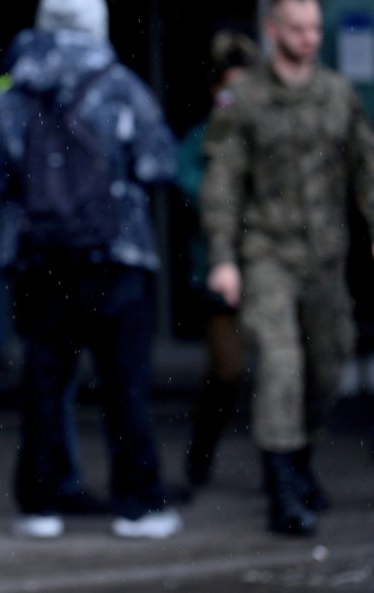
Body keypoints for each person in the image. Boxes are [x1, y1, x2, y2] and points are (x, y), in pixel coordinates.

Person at [0, 0, 182, 539]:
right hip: (116, 257)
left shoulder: (12, 90)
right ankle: (138, 505)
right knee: (125, 385)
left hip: (39, 259)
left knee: (45, 384)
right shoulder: (121, 85)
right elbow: (159, 163)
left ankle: (40, 506)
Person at [201, 0, 374, 536]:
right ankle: (282, 491)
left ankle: (300, 463)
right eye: (297, 28)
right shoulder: (243, 99)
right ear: (274, 31)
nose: (308, 38)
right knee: (280, 365)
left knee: (327, 364)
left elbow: (366, 168)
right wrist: (224, 258)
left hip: (325, 256)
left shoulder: (336, 95)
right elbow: (222, 182)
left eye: (315, 28)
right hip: (267, 255)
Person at [176, 30, 259, 488]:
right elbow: (183, 177)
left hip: (270, 267)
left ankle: (285, 471)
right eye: (230, 88)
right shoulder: (204, 137)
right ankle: (201, 452)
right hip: (218, 269)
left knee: (283, 371)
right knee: (227, 369)